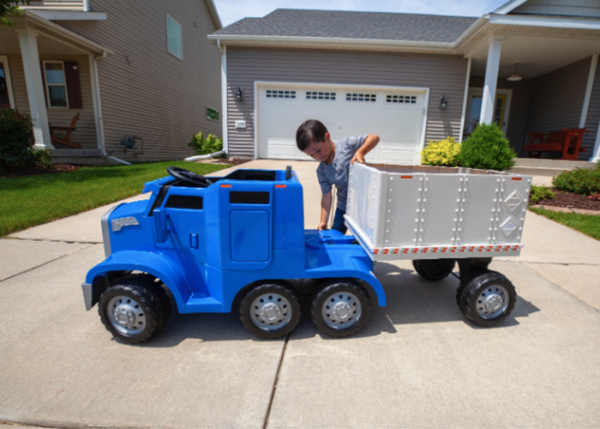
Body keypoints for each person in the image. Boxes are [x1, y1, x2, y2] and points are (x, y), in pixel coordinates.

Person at [295, 119, 379, 234]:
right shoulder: (321, 171)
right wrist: (323, 221)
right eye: (311, 155)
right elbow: (326, 196)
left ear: (327, 137)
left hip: (363, 206)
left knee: (365, 238)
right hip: (343, 207)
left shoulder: (346, 145)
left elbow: (374, 138)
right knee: (334, 236)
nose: (316, 156)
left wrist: (360, 152)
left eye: (318, 150)